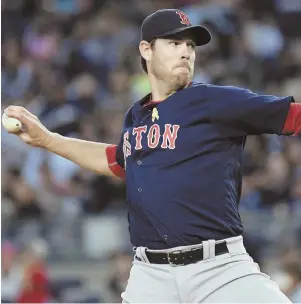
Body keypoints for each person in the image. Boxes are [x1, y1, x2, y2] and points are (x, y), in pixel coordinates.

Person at [3, 8, 301, 303]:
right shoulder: (136, 116)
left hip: (219, 269)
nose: (186, 52)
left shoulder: (214, 100)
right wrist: (48, 140)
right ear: (146, 49)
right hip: (150, 276)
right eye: (174, 43)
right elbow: (117, 162)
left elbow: (293, 116)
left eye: (190, 45)